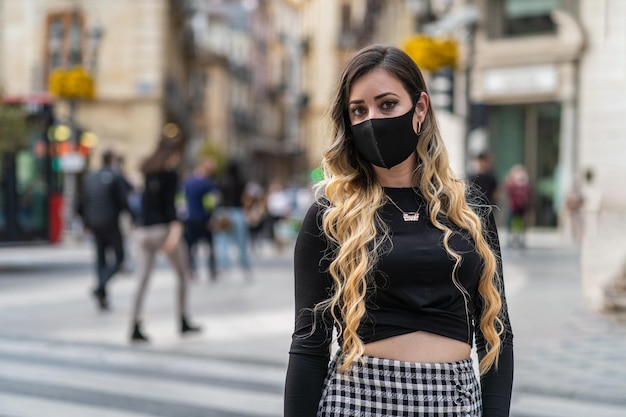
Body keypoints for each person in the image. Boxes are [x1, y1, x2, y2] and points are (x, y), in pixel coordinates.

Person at [284, 45, 514, 417]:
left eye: (387, 104)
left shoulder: (470, 210)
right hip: (359, 401)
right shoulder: (329, 216)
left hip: (454, 403)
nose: (372, 119)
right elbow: (309, 343)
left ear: (420, 108)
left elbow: (498, 336)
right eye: (359, 110)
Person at [130, 134, 201, 342]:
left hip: (144, 232)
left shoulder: (147, 173)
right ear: (172, 155)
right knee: (182, 274)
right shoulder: (170, 175)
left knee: (142, 279)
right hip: (164, 231)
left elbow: (143, 204)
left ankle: (135, 324)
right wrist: (175, 234)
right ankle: (182, 320)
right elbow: (172, 208)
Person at [77, 149, 131, 311]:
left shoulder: (90, 177)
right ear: (112, 159)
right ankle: (101, 286)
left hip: (94, 223)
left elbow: (81, 203)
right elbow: (123, 200)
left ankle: (102, 297)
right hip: (110, 222)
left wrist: (86, 223)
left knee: (101, 260)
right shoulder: (115, 176)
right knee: (119, 257)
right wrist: (135, 218)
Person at [212, 159, 252, 278]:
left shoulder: (221, 181)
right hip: (238, 212)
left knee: (222, 242)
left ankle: (224, 268)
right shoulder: (242, 182)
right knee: (241, 242)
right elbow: (246, 199)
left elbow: (216, 198)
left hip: (223, 212)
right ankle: (245, 267)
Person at [182, 157, 218, 281]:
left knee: (190, 246)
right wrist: (210, 218)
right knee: (210, 246)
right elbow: (210, 203)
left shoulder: (187, 182)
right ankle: (212, 271)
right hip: (203, 218)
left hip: (190, 217)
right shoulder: (207, 183)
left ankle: (191, 271)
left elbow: (180, 200)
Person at [504, 164, 532, 248]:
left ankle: (520, 239)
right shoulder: (512, 184)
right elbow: (507, 190)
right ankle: (511, 239)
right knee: (510, 222)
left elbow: (529, 195)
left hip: (522, 207)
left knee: (522, 223)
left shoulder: (525, 185)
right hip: (513, 206)